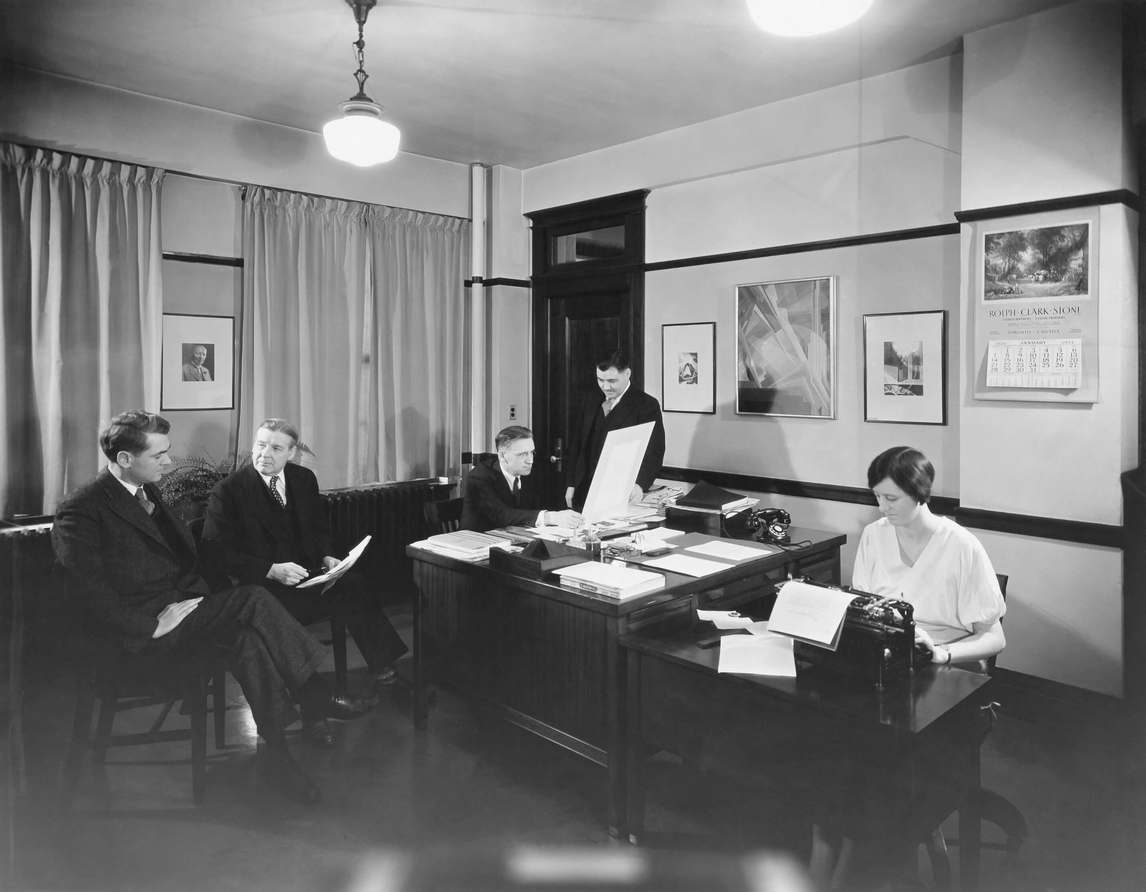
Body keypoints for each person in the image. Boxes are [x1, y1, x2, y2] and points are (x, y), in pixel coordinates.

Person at [52, 411, 368, 805]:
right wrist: (150, 625)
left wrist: (193, 598)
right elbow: (87, 594)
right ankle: (316, 695)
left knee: (248, 640)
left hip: (180, 608)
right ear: (124, 460)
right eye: (159, 456)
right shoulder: (82, 510)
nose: (168, 462)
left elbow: (187, 556)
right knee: (252, 599)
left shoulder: (145, 490)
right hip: (138, 635)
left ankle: (279, 756)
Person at [202, 418, 408, 740]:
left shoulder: (303, 479)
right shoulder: (229, 491)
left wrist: (327, 556)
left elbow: (318, 530)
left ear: (291, 453)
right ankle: (314, 714)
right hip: (265, 589)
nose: (265, 454)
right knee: (281, 623)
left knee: (354, 584)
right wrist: (270, 569)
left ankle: (384, 667)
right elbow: (215, 552)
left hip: (307, 578)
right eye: (260, 445)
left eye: (275, 448)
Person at [852, 445, 1006, 665]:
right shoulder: (873, 535)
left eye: (891, 498)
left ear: (919, 492)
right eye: (877, 496)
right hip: (888, 656)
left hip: (947, 662)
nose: (882, 507)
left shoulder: (962, 546)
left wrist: (941, 653)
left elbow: (995, 638)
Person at [565, 350, 665, 511]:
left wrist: (639, 485)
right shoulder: (589, 400)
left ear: (627, 374)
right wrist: (571, 484)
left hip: (622, 490)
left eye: (612, 381)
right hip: (584, 489)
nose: (605, 386)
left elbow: (654, 451)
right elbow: (577, 445)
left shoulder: (646, 405)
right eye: (600, 380)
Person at [460, 425, 582, 532]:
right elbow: (502, 515)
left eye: (531, 452)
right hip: (478, 546)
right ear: (503, 456)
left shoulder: (530, 471)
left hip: (513, 540)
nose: (530, 460)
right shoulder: (479, 477)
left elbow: (545, 504)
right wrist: (550, 517)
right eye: (522, 454)